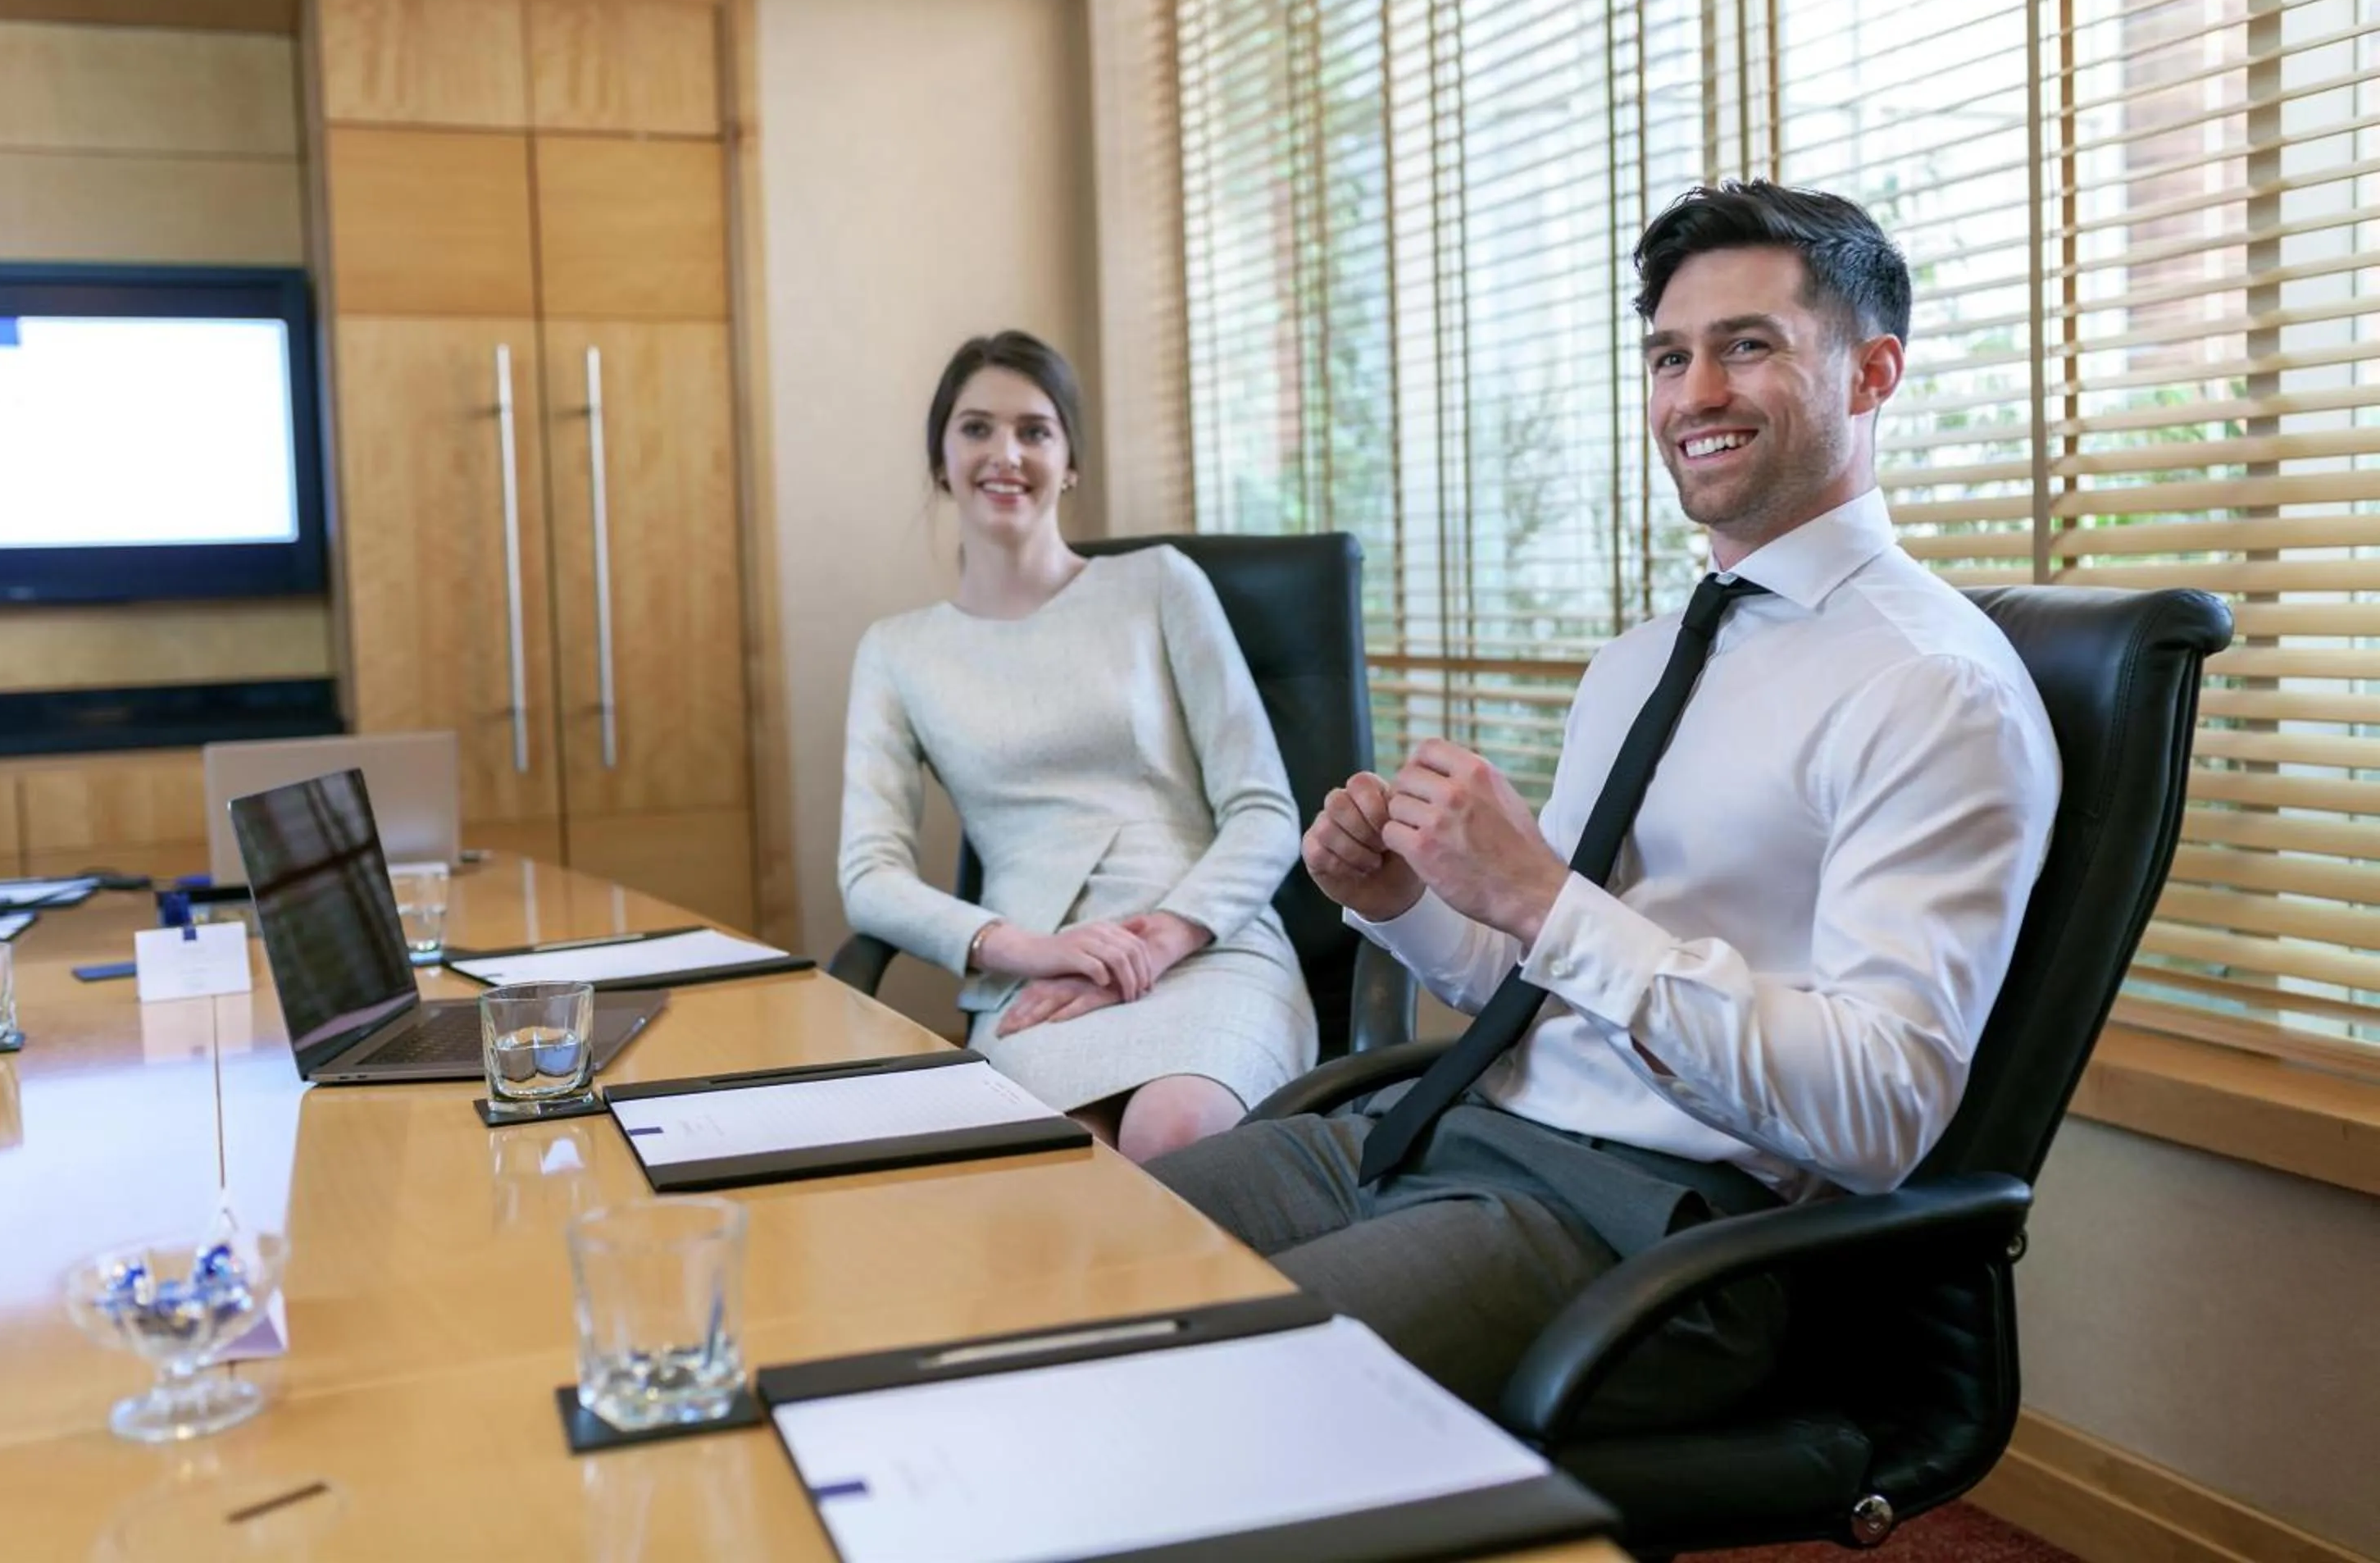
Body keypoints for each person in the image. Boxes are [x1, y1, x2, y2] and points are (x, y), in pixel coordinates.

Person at [1147, 181, 2063, 1429]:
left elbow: (1879, 1111)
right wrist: (1409, 902)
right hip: (1443, 1133)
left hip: (1648, 1224)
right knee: (1064, 1269)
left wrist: (1540, 893)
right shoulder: (1640, 659)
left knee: (1202, 1396)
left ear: (1872, 374)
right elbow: (1543, 983)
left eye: (1749, 346)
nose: (1695, 395)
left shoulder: (1933, 687)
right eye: (1670, 357)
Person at [839, 331, 1318, 1163]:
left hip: (1207, 946)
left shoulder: (1160, 583)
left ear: (1069, 463)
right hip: (1040, 976)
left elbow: (1265, 809)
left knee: (1171, 1134)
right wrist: (1026, 949)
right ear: (940, 461)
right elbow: (869, 875)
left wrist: (1161, 936)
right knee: (1067, 1174)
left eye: (1035, 430)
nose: (1006, 453)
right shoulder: (897, 650)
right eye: (977, 427)